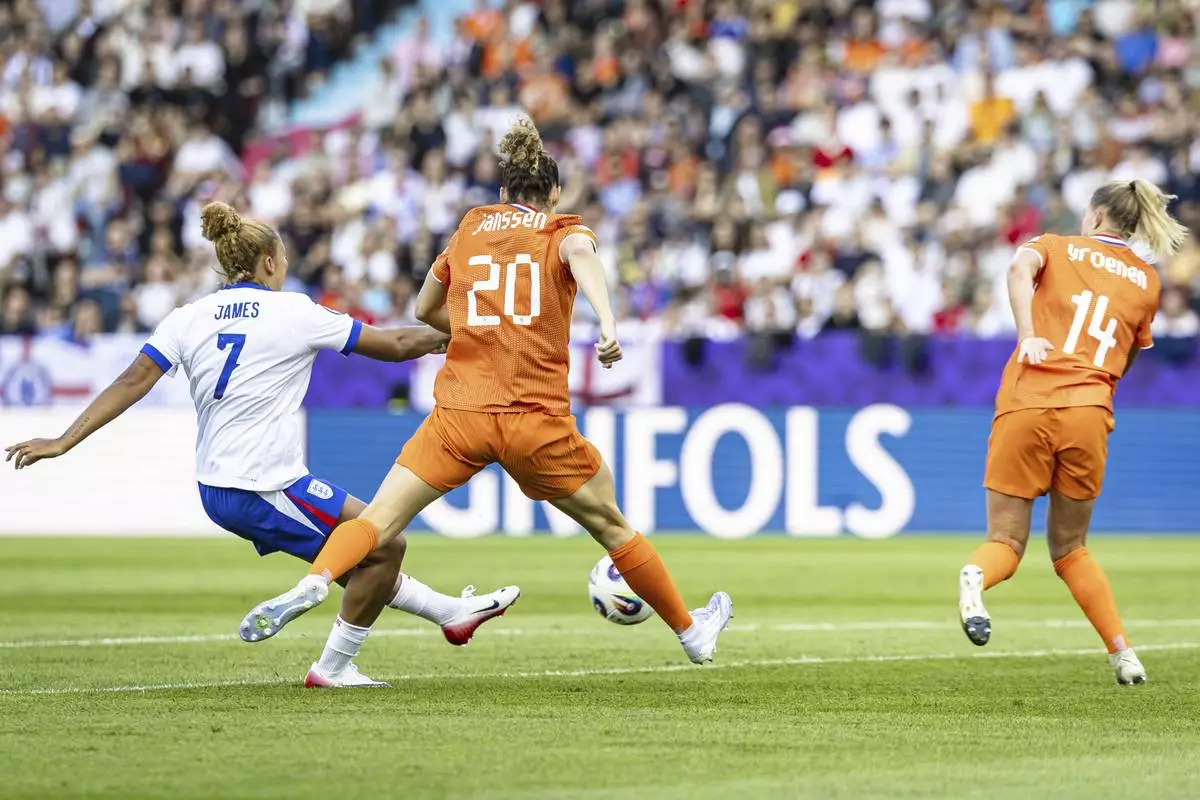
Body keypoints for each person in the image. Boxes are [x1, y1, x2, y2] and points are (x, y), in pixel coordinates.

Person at [239, 119, 734, 664]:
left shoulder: (470, 227)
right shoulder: (560, 229)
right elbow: (582, 255)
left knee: (377, 520)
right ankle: (691, 632)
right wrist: (608, 322)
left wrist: (478, 329)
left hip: (461, 414)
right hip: (533, 419)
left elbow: (424, 309)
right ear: (554, 193)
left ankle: (316, 580)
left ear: (501, 191)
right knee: (612, 525)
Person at [5, 202, 521, 688]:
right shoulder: (292, 311)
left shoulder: (188, 316)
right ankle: (334, 668)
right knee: (384, 547)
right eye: (285, 260)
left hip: (220, 484)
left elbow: (131, 381)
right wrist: (474, 332)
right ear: (269, 262)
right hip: (263, 484)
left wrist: (64, 440)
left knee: (367, 551)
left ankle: (451, 614)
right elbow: (397, 344)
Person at [957, 179, 1189, 685]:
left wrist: (1028, 335)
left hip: (1028, 400)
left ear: (1097, 215)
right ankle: (1123, 654)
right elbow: (1128, 352)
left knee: (1005, 540)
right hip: (1088, 411)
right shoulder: (1146, 279)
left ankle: (976, 576)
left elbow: (1017, 270)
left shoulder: (1055, 246)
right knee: (1070, 547)